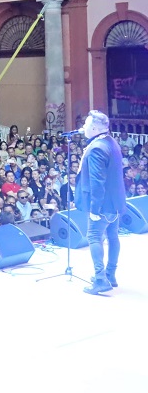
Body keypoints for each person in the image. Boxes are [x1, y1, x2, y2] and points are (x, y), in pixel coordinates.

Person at [75, 111, 126, 295]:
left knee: (94, 237)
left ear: (95, 128)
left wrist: (94, 209)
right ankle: (110, 275)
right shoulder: (111, 142)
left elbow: (98, 181)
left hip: (102, 205)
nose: (84, 127)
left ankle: (100, 279)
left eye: (86, 125)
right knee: (112, 237)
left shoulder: (96, 148)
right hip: (116, 203)